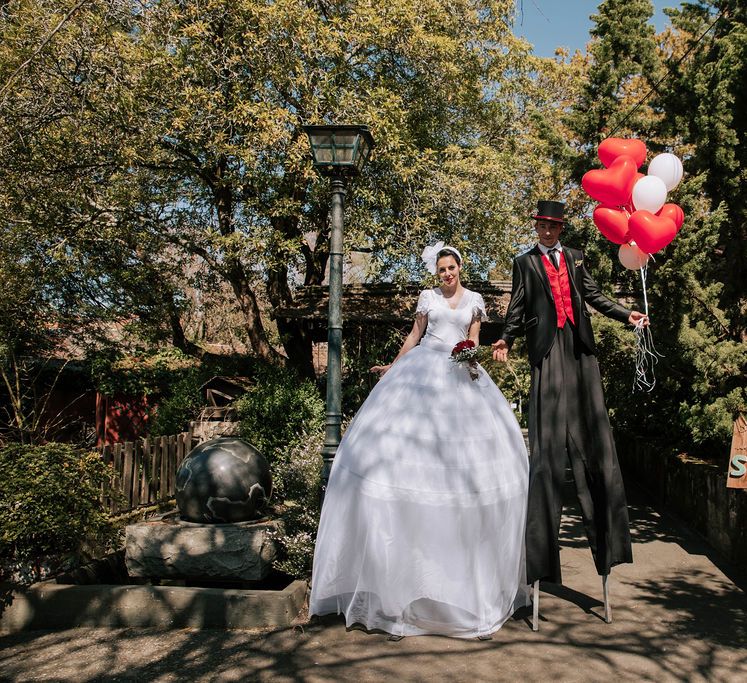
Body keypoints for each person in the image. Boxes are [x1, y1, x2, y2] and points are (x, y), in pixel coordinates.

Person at [309, 245, 529, 639]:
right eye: (441, 270)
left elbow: (473, 340)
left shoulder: (475, 301)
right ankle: (399, 590)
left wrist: (472, 359)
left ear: (461, 268)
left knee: (463, 467)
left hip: (460, 374)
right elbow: (415, 334)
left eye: (451, 268)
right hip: (422, 371)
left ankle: (455, 586)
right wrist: (394, 366)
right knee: (400, 460)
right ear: (436, 273)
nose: (446, 274)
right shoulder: (428, 299)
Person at [491, 200, 647, 600]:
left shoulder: (576, 258)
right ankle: (543, 562)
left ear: (560, 228)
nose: (546, 231)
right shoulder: (525, 263)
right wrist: (507, 338)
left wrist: (624, 314)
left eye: (553, 226)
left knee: (593, 443)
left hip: (580, 352)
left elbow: (593, 295)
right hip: (546, 352)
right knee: (546, 455)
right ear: (536, 227)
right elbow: (517, 307)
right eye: (541, 225)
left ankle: (608, 547)